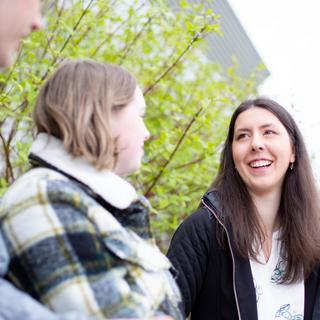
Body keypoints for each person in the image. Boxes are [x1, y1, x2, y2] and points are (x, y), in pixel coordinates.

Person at [0, 59, 182, 319]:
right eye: (140, 116)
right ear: (103, 114)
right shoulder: (44, 197)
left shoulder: (88, 201)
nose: (147, 133)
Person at [167, 98, 320, 320]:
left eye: (268, 132)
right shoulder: (204, 229)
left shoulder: (315, 237)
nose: (256, 144)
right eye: (243, 136)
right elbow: (160, 309)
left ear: (293, 151)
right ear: (233, 156)